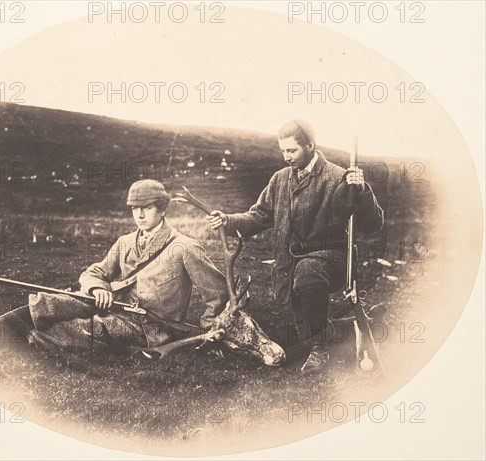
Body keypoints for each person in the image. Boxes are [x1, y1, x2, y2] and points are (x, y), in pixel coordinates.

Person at [207, 120, 384, 374]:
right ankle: (344, 326)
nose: (286, 157)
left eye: (292, 150)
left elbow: (372, 223)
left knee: (308, 274)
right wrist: (229, 220)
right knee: (298, 334)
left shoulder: (337, 177)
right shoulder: (280, 179)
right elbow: (259, 216)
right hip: (291, 263)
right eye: (283, 151)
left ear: (310, 145)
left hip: (332, 259)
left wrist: (363, 190)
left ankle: (320, 349)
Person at [25, 179, 229, 351]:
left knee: (65, 331)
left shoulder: (185, 247)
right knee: (47, 304)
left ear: (163, 209)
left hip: (150, 328)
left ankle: (23, 337)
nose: (139, 215)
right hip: (113, 306)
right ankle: (11, 326)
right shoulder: (125, 241)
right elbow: (94, 272)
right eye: (135, 209)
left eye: (147, 208)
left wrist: (207, 331)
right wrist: (98, 289)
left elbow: (218, 293)